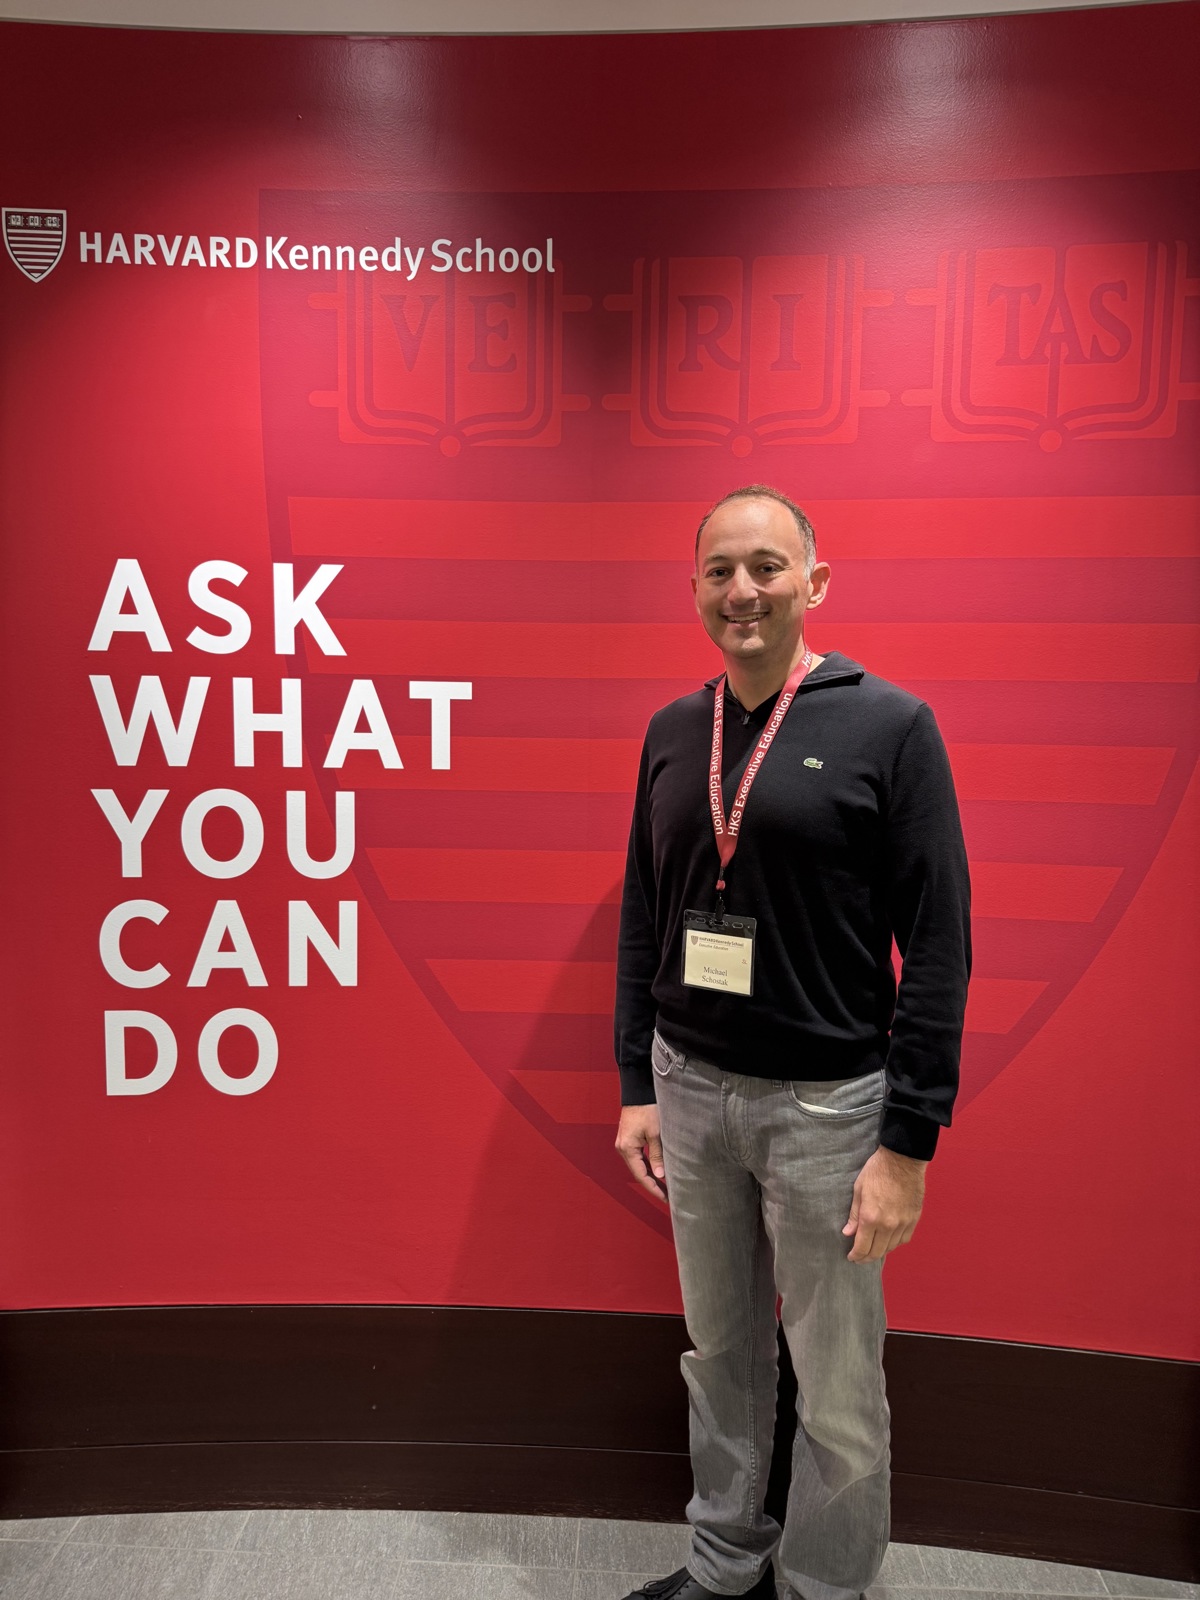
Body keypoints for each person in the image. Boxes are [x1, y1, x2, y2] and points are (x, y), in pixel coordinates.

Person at [613, 486, 971, 1600]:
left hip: (828, 1110)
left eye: (766, 567)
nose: (742, 591)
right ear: (696, 593)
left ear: (814, 583)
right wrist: (638, 1080)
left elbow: (942, 942)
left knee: (836, 1380)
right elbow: (645, 913)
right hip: (691, 1089)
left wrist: (907, 1141)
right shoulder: (676, 731)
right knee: (719, 1355)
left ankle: (822, 1585)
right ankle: (724, 1564)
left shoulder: (891, 725)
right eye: (720, 571)